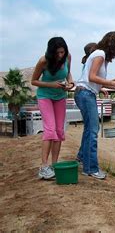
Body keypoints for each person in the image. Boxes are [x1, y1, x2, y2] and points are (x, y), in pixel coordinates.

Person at [74, 31, 115, 179]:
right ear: (112, 44)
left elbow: (95, 81)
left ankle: (82, 159)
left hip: (85, 93)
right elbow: (92, 77)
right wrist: (112, 83)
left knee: (89, 130)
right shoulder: (100, 54)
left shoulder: (100, 56)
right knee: (93, 130)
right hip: (86, 94)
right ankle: (91, 168)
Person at [31, 37, 74, 180]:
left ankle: (54, 166)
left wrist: (71, 82)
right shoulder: (43, 61)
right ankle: (44, 167)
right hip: (45, 96)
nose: (60, 55)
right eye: (57, 53)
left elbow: (68, 73)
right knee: (50, 129)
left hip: (60, 96)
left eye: (62, 52)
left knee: (59, 130)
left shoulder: (67, 57)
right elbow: (34, 81)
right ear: (51, 52)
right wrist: (52, 84)